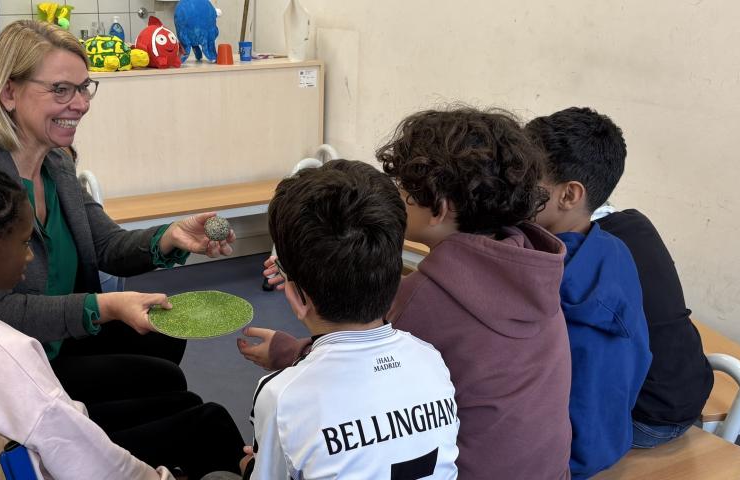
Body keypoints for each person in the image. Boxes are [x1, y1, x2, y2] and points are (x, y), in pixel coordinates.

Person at [0, 20, 239, 447]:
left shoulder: (57, 164)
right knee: (178, 392)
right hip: (12, 368)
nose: (81, 104)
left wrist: (170, 238)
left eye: (85, 87)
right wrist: (101, 306)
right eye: (61, 90)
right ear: (9, 93)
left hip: (51, 342)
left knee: (164, 345)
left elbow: (104, 244)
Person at [239, 108, 571, 480]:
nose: (398, 195)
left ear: (439, 209)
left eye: (404, 189)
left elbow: (358, 370)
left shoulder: (422, 299)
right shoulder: (531, 266)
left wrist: (287, 353)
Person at [0, 160, 244, 479]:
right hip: (42, 463)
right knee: (210, 421)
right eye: (26, 243)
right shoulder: (7, 351)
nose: (29, 257)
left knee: (184, 401)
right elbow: (92, 463)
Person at [240, 159, 459, 479]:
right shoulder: (431, 360)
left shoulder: (280, 395)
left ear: (298, 298)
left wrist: (251, 467)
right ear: (394, 276)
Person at [535, 108, 713, 449]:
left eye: (528, 177)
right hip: (691, 390)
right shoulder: (634, 224)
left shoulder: (577, 258)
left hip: (645, 418)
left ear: (570, 195)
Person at [527, 107, 652, 478]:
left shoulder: (533, 270)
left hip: (554, 459)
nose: (513, 186)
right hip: (610, 441)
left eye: (529, 178)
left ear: (569, 194)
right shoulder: (616, 250)